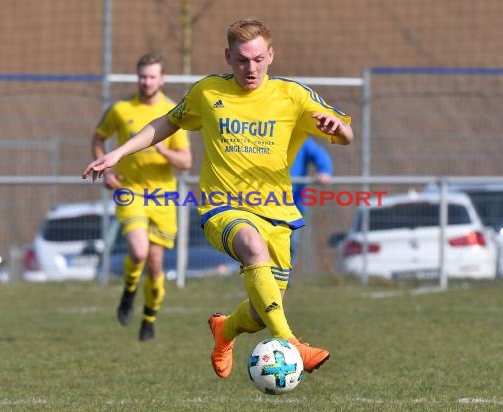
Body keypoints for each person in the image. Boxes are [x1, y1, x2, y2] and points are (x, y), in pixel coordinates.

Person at [83, 19, 353, 377]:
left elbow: (345, 133)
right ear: (228, 56)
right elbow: (166, 122)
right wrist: (119, 153)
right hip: (222, 207)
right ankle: (292, 345)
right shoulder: (208, 92)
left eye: (258, 59)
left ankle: (224, 330)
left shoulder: (294, 95)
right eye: (242, 60)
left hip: (278, 213)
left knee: (261, 310)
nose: (250, 68)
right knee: (251, 246)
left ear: (271, 56)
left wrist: (340, 130)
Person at [91, 52, 192, 342]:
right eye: (142, 76)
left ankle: (148, 318)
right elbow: (98, 138)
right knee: (138, 251)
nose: (146, 81)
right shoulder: (121, 109)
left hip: (163, 197)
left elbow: (186, 161)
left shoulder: (174, 112)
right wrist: (106, 170)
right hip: (130, 191)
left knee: (156, 264)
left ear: (162, 79)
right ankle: (129, 290)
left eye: (152, 76)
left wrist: (163, 150)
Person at [290, 136, 333, 266]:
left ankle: (284, 277)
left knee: (291, 243)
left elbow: (318, 154)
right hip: (265, 200)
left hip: (294, 203)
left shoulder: (299, 137)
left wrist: (325, 171)